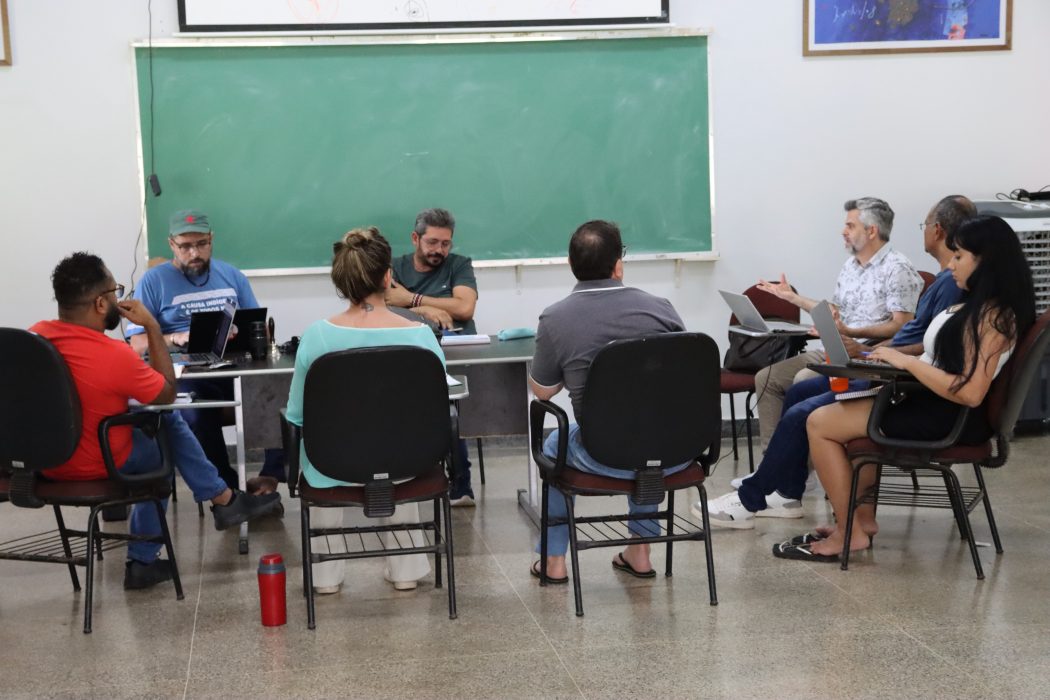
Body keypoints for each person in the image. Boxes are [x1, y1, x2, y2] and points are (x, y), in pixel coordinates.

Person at [701, 195, 977, 527]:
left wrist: (870, 350)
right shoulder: (867, 269)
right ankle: (783, 484)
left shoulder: (934, 280)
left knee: (805, 399)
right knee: (787, 387)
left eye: (850, 225)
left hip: (887, 372)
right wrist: (795, 300)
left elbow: (916, 338)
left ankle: (759, 492)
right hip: (867, 357)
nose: (843, 231)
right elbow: (846, 315)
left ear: (938, 231)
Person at [774, 215, 1035, 562]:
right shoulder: (978, 305)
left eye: (959, 257)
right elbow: (940, 358)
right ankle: (861, 524)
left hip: (947, 415)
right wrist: (880, 357)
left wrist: (907, 364)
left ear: (985, 261)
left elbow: (970, 391)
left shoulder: (993, 317)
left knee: (819, 423)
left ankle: (849, 532)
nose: (951, 264)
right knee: (832, 416)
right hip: (930, 400)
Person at [32, 253, 282, 590]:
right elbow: (165, 394)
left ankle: (224, 500)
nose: (119, 297)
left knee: (162, 423)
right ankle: (146, 558)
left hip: (43, 463)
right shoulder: (113, 355)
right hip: (97, 463)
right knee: (165, 428)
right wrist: (151, 326)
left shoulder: (32, 341)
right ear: (100, 303)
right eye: (115, 291)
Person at [528, 220, 687, 584]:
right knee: (649, 429)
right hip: (676, 449)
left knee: (555, 442)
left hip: (602, 455)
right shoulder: (660, 309)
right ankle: (641, 550)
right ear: (618, 265)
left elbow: (543, 392)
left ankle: (553, 560)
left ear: (571, 266)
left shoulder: (555, 318)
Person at [285, 227, 439, 595]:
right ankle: (405, 570)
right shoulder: (421, 335)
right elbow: (434, 405)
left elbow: (296, 414)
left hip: (333, 467)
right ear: (388, 276)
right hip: (406, 464)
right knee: (397, 438)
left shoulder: (317, 337)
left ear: (340, 281)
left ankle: (324, 578)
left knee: (319, 446)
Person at [126, 210, 282, 494]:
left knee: (281, 392)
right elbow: (136, 345)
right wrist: (175, 338)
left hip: (234, 367)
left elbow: (260, 327)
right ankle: (228, 490)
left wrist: (240, 332)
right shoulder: (153, 282)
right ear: (171, 244)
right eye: (185, 246)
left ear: (211, 240)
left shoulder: (231, 275)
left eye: (201, 244)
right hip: (187, 372)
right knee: (195, 414)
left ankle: (269, 479)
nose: (194, 252)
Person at [386, 208, 480, 506]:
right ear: (415, 239)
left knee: (450, 404)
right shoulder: (394, 266)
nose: (439, 250)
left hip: (455, 350)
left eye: (445, 243)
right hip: (407, 354)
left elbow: (464, 309)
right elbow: (385, 304)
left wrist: (413, 300)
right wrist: (427, 310)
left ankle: (460, 483)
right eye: (432, 242)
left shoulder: (459, 265)